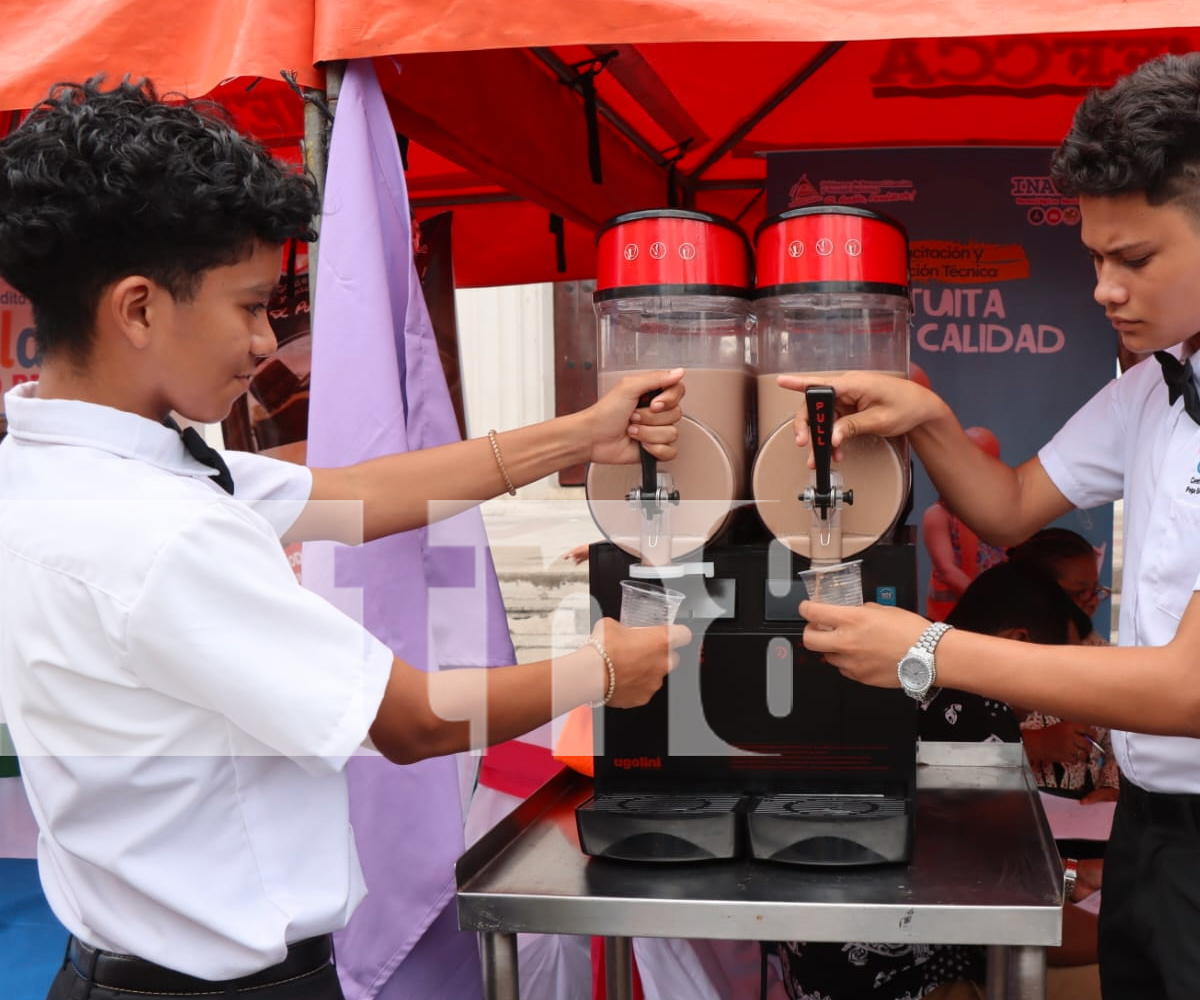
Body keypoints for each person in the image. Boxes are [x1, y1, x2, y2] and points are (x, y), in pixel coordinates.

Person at [0, 78, 691, 1000]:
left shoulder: (65, 465)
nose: (263, 339)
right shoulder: (157, 531)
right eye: (249, 304)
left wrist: (579, 435)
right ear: (138, 309)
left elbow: (353, 495)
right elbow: (409, 721)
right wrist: (599, 674)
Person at [782, 52, 1200, 1000]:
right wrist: (932, 422)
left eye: (1136, 258)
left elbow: (1196, 689)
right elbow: (1007, 507)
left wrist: (926, 652)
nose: (1105, 288)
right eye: (1095, 258)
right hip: (1154, 837)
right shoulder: (1155, 385)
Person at [777, 563, 1100, 1000]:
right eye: (1060, 673)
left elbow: (973, 860)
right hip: (907, 982)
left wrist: (1065, 878)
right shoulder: (977, 705)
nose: (1061, 700)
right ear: (1018, 644)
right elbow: (1016, 911)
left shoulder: (900, 673)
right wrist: (1139, 931)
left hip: (819, 971)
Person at [1005, 528, 1119, 802]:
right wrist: (1035, 745)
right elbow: (961, 746)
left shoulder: (1101, 653)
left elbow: (1120, 738)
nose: (1092, 602)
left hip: (1083, 810)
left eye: (1096, 591)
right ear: (1037, 593)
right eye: (1080, 593)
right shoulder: (1001, 652)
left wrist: (1111, 787)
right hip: (1012, 808)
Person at [921, 426, 1005, 620]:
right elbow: (947, 571)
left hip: (992, 619)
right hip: (951, 620)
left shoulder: (998, 511)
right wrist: (992, 606)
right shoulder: (939, 514)